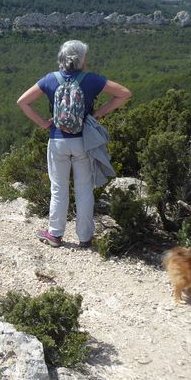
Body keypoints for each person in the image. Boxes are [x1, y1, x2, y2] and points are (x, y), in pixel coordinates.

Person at [17, 39, 131, 247]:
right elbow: (124, 94)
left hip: (58, 140)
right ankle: (85, 237)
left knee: (59, 188)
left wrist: (43, 123)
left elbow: (22, 101)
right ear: (81, 59)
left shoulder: (50, 79)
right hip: (83, 141)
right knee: (84, 189)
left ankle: (55, 234)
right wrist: (98, 114)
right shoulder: (91, 80)